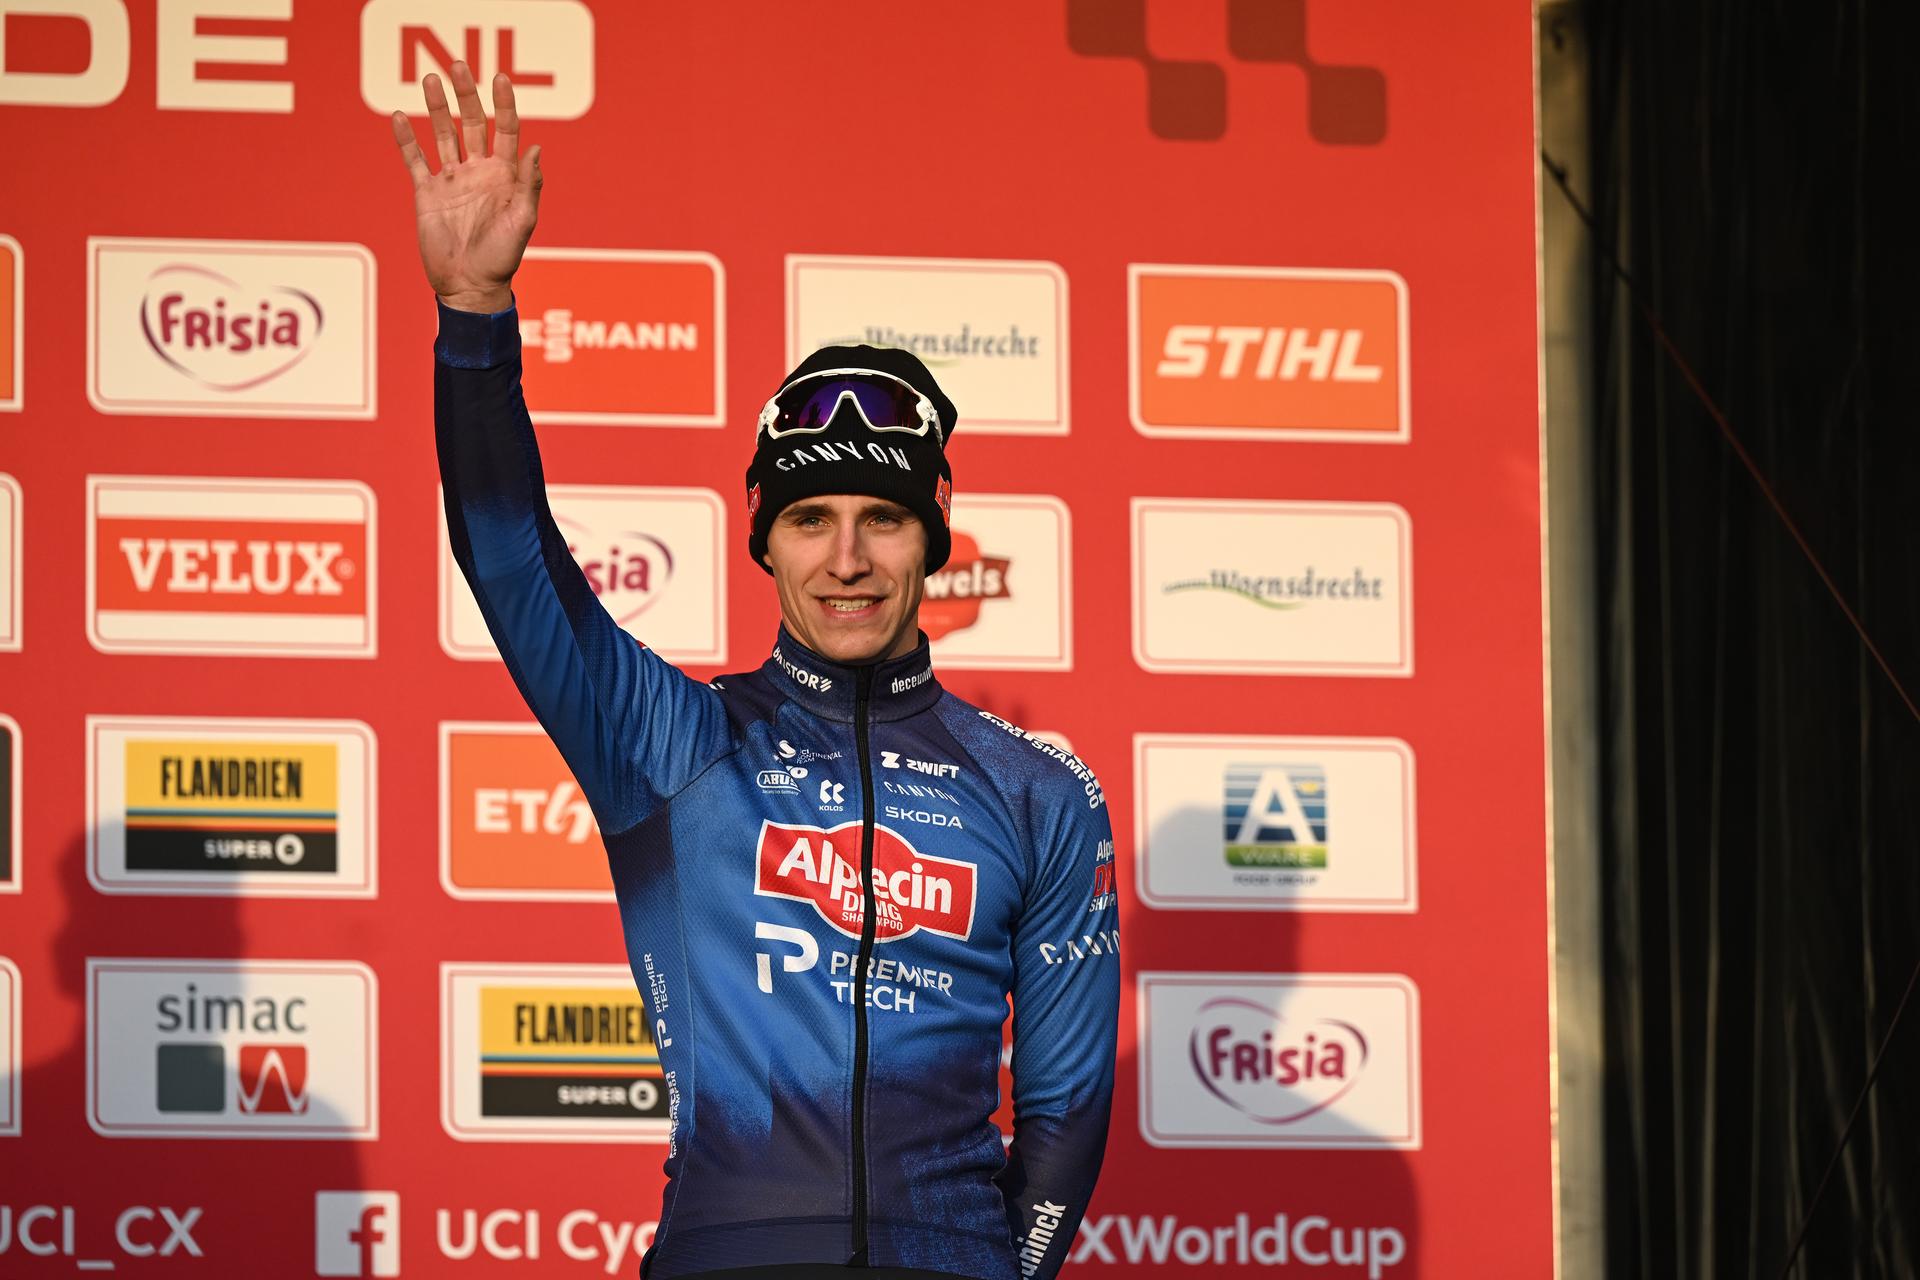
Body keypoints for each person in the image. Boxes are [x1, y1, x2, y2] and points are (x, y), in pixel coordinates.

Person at [393, 63, 1120, 1280]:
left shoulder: (1041, 790)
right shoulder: (677, 740)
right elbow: (511, 560)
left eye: (883, 519)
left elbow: (1064, 1113)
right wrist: (474, 315)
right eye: (811, 517)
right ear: (764, 535)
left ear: (935, 536)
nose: (847, 557)